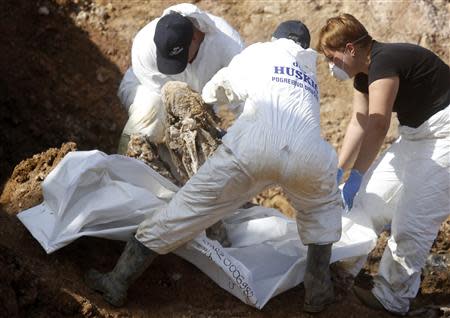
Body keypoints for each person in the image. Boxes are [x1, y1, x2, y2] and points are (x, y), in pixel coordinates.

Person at [85, 20, 343, 313]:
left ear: (275, 38)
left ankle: (117, 281)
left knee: (186, 209)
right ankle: (318, 291)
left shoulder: (260, 52)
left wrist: (206, 103)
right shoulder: (310, 73)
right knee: (322, 210)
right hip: (310, 156)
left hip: (253, 147)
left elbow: (220, 87)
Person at [317, 13, 450, 315]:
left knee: (411, 219)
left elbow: (378, 125)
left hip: (446, 135)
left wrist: (357, 173)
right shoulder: (364, 75)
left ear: (351, 48)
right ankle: (344, 271)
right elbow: (359, 123)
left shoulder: (384, 62)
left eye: (333, 58)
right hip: (417, 136)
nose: (331, 67)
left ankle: (392, 298)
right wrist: (340, 171)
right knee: (367, 200)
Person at [116, 3, 244, 154]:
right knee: (151, 110)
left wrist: (239, 141)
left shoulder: (229, 46)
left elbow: (244, 101)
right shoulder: (144, 46)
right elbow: (162, 96)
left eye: (180, 57)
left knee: (201, 150)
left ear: (195, 37)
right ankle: (128, 162)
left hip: (202, 104)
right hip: (146, 89)